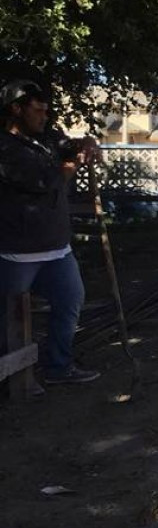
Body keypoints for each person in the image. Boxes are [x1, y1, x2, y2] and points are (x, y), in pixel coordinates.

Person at [0, 79, 101, 385]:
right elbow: (42, 183)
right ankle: (11, 379)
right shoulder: (5, 148)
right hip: (16, 251)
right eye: (38, 110)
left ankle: (58, 367)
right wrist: (70, 167)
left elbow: (67, 146)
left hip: (57, 249)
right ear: (16, 109)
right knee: (7, 319)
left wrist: (87, 144)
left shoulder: (44, 138)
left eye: (46, 110)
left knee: (70, 301)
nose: (44, 116)